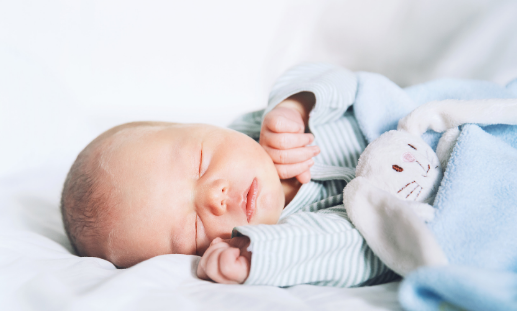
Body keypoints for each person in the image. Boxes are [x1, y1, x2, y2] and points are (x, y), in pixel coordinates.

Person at [60, 63, 398, 287]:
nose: (213, 197)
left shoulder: (256, 128)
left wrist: (296, 104)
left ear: (202, 126)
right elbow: (368, 248)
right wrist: (257, 257)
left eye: (200, 162)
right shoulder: (288, 238)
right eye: (192, 230)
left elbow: (341, 80)